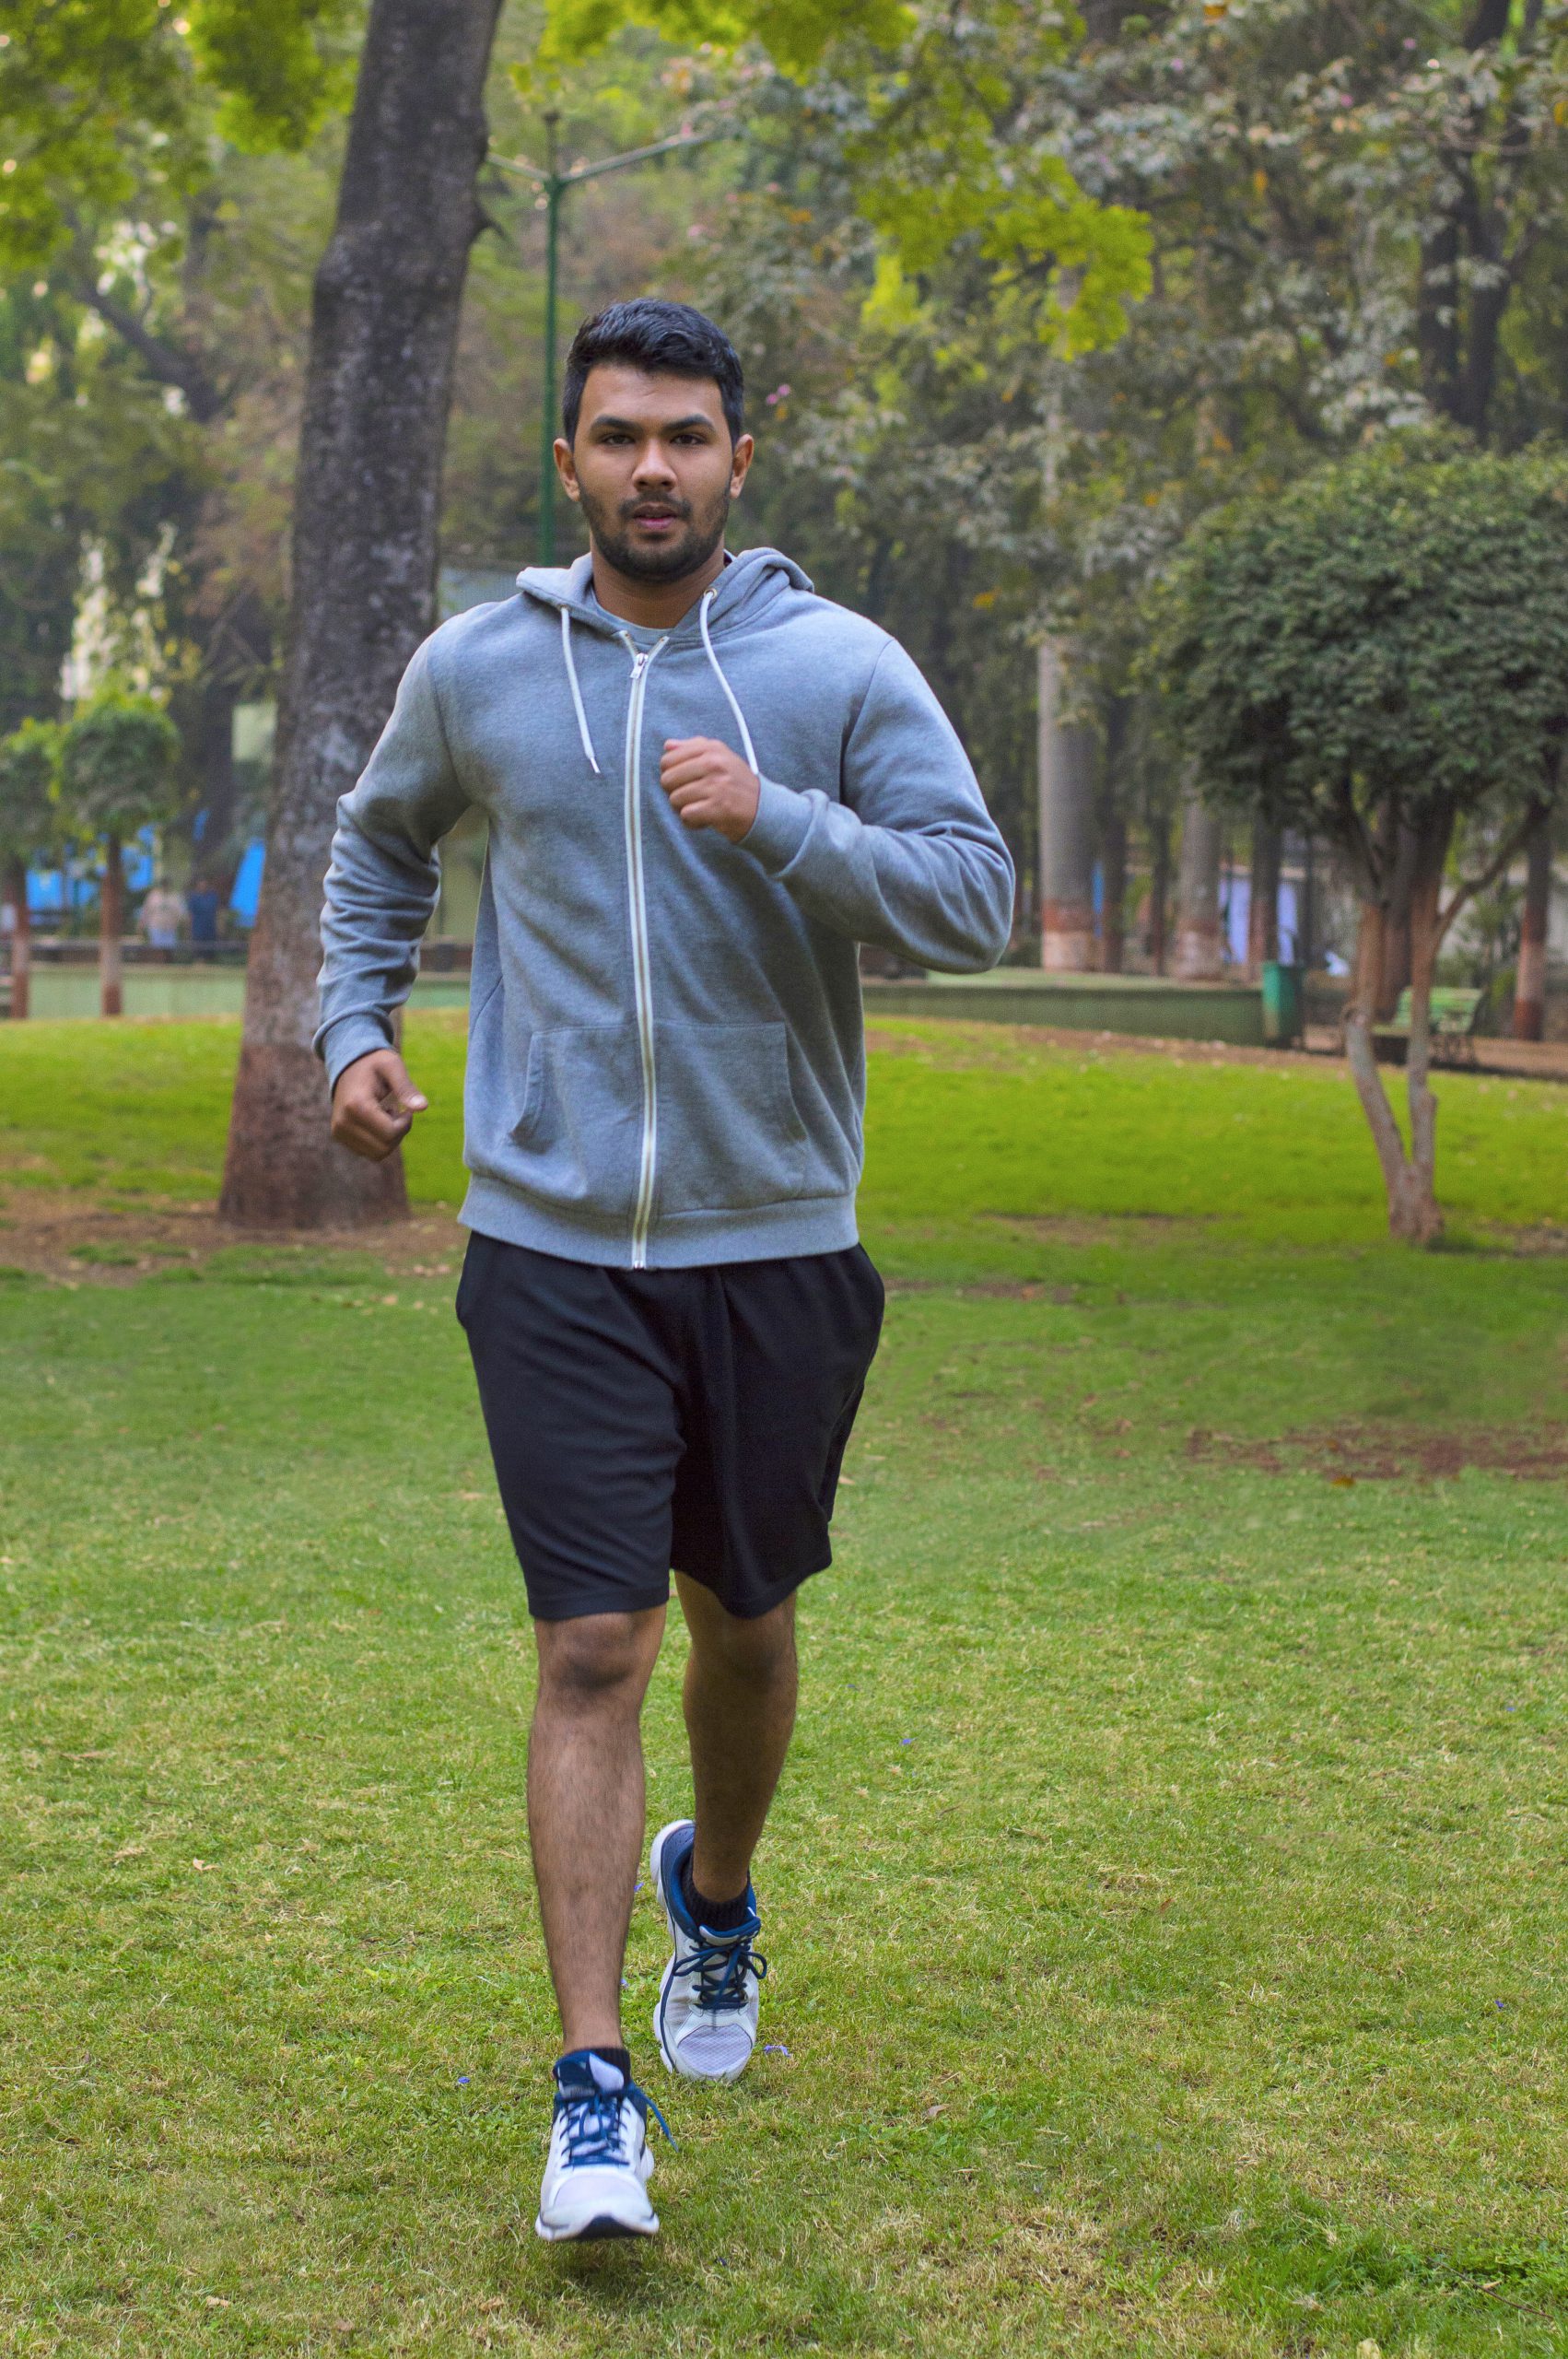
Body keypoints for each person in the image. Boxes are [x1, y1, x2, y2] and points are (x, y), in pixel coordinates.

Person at [316, 299, 1013, 2243]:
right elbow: (377, 845)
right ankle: (590, 2083)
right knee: (590, 1645)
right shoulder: (480, 665)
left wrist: (777, 819)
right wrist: (351, 1022)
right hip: (548, 1245)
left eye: (684, 436)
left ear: (735, 461)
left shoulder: (833, 665)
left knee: (745, 1627)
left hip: (775, 1237)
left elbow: (972, 896)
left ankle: (713, 1897)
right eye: (618, 435)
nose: (651, 468)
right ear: (567, 461)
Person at [139, 881, 185, 957]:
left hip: (170, 928)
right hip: (156, 927)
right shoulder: (153, 896)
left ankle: (168, 962)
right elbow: (146, 910)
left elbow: (181, 913)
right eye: (164, 885)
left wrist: (183, 925)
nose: (165, 887)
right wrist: (142, 923)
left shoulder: (175, 897)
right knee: (157, 949)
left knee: (169, 950)